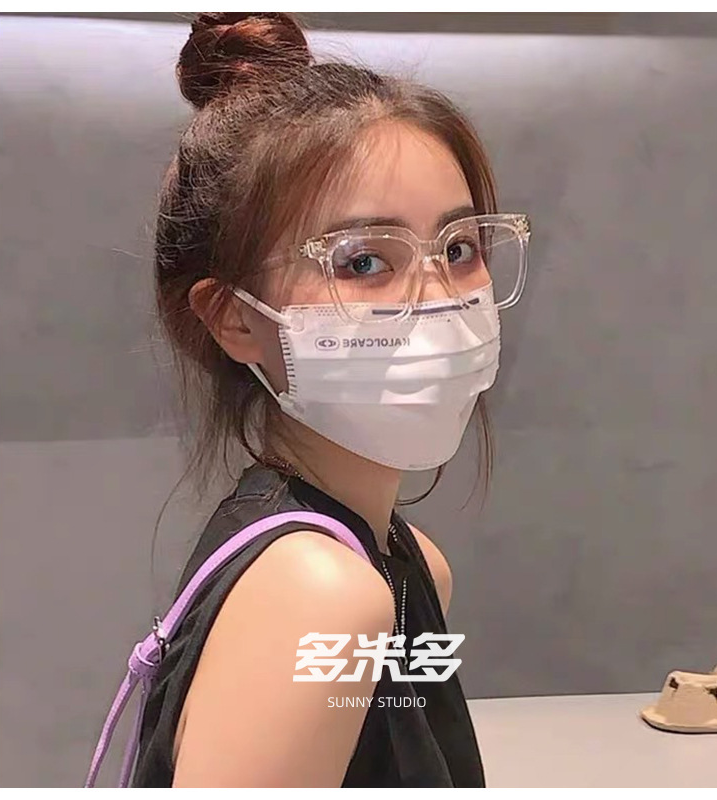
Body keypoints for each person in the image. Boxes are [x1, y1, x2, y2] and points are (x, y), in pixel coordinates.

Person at [132, 12, 530, 788]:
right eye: (363, 263)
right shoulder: (320, 594)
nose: (438, 298)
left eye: (458, 248)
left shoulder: (404, 563)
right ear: (235, 318)